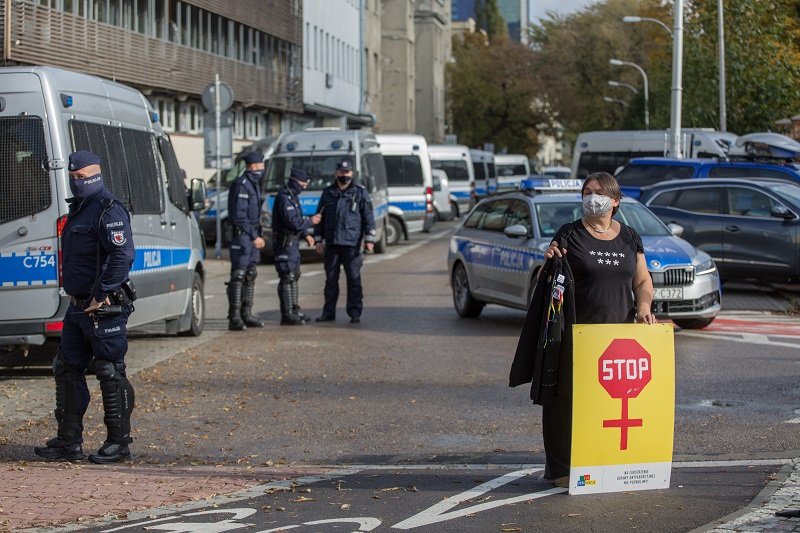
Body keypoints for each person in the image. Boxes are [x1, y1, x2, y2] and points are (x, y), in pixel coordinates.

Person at [511, 171, 657, 488]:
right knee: (565, 402)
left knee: (610, 402)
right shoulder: (569, 234)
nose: (592, 198)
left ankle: (606, 463)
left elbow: (642, 280)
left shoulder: (630, 237)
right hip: (575, 336)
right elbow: (550, 279)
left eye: (599, 192)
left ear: (615, 201)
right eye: (587, 192)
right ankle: (562, 468)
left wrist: (644, 306)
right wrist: (549, 261)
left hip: (617, 338)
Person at [34, 150, 136, 464]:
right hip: (77, 307)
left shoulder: (108, 208)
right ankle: (69, 442)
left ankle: (118, 442)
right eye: (73, 177)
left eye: (82, 177)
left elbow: (122, 255)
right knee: (66, 368)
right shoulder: (79, 209)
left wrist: (101, 293)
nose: (77, 182)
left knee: (109, 370)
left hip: (102, 307)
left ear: (96, 175)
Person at [314, 158, 376, 323]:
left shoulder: (360, 192)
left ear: (352, 173)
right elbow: (319, 217)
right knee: (331, 280)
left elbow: (368, 217)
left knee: (354, 279)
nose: (344, 175)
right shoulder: (328, 193)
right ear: (336, 173)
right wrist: (318, 240)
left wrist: (369, 239)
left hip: (352, 244)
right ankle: (328, 312)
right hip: (332, 243)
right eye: (342, 172)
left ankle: (354, 312)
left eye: (347, 172)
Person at [271, 168, 322, 325]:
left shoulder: (294, 197)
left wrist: (306, 234)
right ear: (294, 181)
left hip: (293, 244)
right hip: (284, 244)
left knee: (294, 275)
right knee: (287, 276)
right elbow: (292, 222)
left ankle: (294, 310)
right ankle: (287, 314)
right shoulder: (284, 198)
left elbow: (298, 217)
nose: (304, 187)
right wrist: (311, 221)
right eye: (303, 184)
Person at [226, 151, 266, 331]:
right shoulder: (242, 184)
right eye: (261, 166)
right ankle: (234, 317)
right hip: (242, 236)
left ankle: (246, 314)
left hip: (250, 234)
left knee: (250, 274)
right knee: (239, 274)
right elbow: (239, 215)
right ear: (253, 166)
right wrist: (254, 236)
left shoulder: (253, 184)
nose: (263, 169)